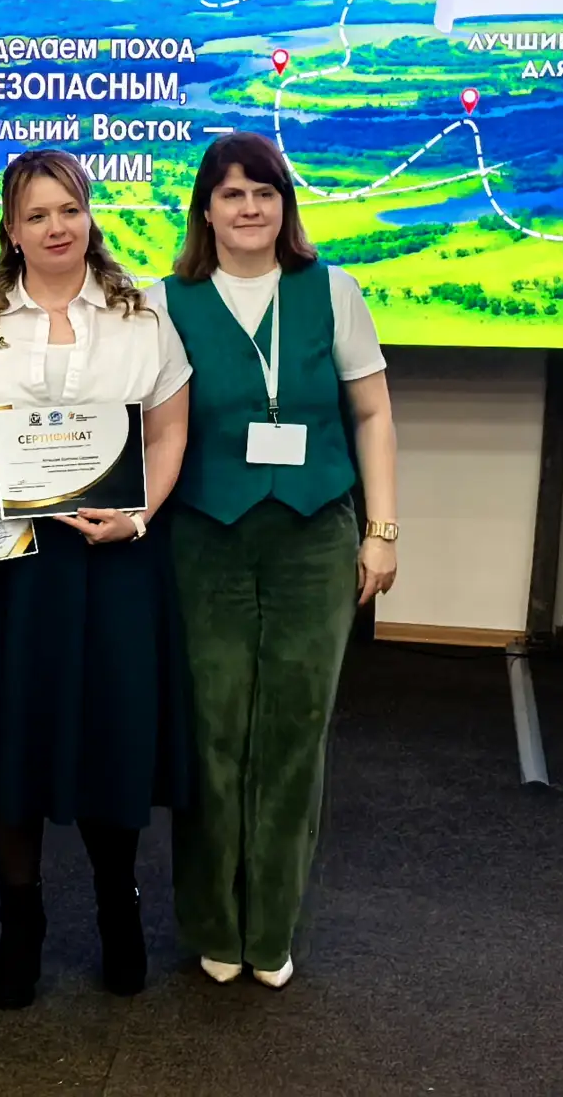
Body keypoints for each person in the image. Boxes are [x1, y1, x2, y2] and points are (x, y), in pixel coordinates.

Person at [0, 149, 192, 1009]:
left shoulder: (143, 314)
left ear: (89, 216)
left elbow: (168, 431)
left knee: (108, 734)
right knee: (8, 737)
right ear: (11, 232)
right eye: (36, 215)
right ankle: (20, 918)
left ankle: (118, 906)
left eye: (69, 210)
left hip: (110, 558)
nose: (56, 227)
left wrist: (139, 516)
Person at [149, 132, 399, 990]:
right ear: (206, 209)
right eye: (232, 193)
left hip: (314, 538)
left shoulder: (333, 291)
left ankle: (272, 926)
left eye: (265, 192)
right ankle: (214, 921)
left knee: (295, 731)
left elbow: (372, 415)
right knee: (212, 731)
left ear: (285, 205)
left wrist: (382, 530)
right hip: (205, 538)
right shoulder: (167, 302)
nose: (250, 207)